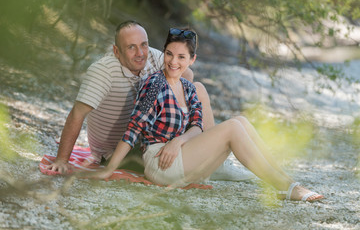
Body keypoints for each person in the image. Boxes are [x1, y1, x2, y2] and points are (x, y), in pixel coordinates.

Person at [87, 27, 324, 202]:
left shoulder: (188, 87)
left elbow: (198, 125)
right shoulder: (153, 84)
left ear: (192, 60)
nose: (173, 62)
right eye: (169, 54)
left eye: (181, 57)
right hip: (160, 163)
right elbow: (134, 128)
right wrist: (108, 169)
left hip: (180, 154)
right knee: (232, 127)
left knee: (241, 120)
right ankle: (285, 187)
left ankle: (286, 180)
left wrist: (178, 141)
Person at [46, 20, 254, 181]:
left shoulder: (153, 57)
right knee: (225, 124)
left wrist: (177, 124)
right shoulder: (103, 71)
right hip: (121, 149)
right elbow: (77, 113)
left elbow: (186, 76)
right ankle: (209, 156)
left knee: (197, 89)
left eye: (144, 45)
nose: (140, 54)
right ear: (116, 50)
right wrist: (62, 159)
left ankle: (210, 157)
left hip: (150, 133)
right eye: (131, 47)